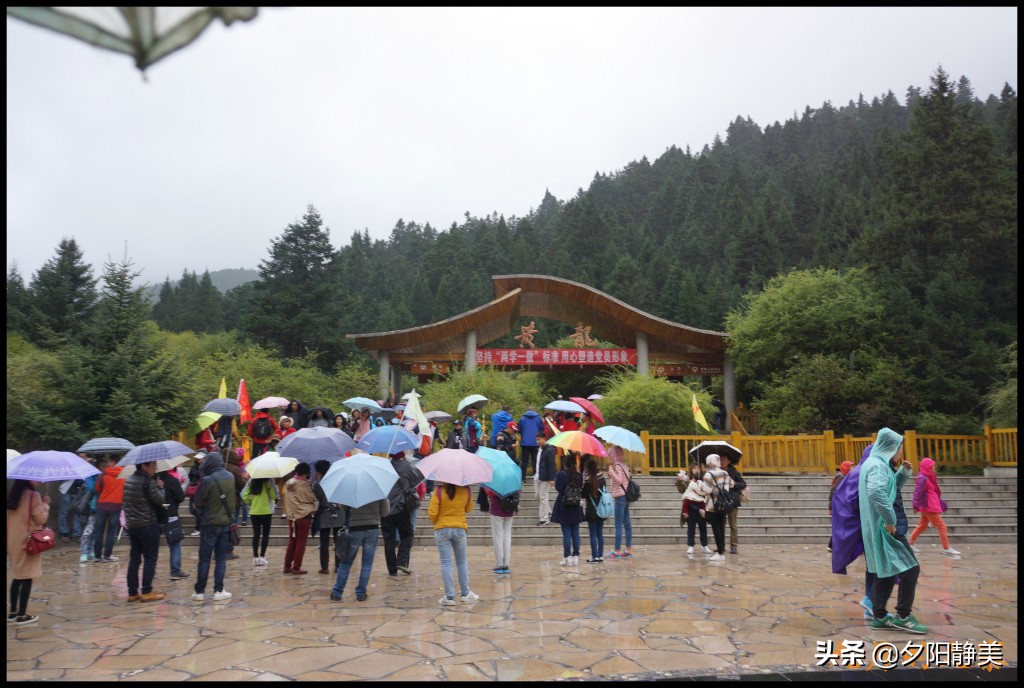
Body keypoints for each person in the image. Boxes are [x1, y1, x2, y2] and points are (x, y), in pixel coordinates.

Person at [860, 428, 926, 633]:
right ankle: (904, 616)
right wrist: (889, 521)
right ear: (891, 447)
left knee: (885, 570)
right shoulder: (878, 466)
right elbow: (877, 492)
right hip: (886, 527)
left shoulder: (875, 464)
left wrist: (903, 474)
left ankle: (879, 616)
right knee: (911, 569)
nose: (900, 452)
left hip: (878, 526)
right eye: (899, 447)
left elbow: (889, 488)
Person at [191, 452, 237, 602]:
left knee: (205, 559)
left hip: (209, 524)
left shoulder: (207, 480)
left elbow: (197, 503)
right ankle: (219, 590)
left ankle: (199, 592)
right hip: (225, 523)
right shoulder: (230, 477)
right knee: (221, 559)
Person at [330, 494, 390, 602]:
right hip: (372, 529)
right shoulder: (379, 492)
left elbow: (343, 507)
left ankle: (337, 592)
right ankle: (361, 593)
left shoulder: (352, 488)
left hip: (354, 528)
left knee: (346, 562)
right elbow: (385, 512)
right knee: (367, 564)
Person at [122, 460, 167, 602]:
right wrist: (160, 487)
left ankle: (132, 592)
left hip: (133, 525)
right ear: (143, 466)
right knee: (150, 558)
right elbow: (160, 500)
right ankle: (147, 591)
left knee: (135, 558)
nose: (155, 468)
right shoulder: (147, 482)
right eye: (153, 465)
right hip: (148, 524)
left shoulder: (128, 481)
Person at [7, 478, 50, 625]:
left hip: (13, 541)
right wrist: (46, 505)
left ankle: (13, 612)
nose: (38, 481)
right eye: (35, 478)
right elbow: (41, 518)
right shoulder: (33, 495)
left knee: (18, 575)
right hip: (28, 542)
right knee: (27, 577)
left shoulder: (13, 496)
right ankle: (22, 615)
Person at [428, 481, 478, 606]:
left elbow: (432, 512)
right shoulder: (466, 490)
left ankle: (449, 597)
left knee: (446, 563)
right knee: (461, 562)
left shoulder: (438, 490)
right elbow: (469, 508)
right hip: (460, 528)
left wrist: (438, 521)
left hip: (442, 528)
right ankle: (465, 593)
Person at [909, 457, 960, 555]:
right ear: (928, 467)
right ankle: (946, 548)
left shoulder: (928, 477)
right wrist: (915, 505)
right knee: (942, 526)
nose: (934, 467)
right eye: (932, 466)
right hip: (928, 507)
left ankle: (909, 544)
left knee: (922, 526)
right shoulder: (922, 478)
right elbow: (917, 492)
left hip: (929, 506)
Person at [382, 452, 420, 576]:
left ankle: (392, 569)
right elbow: (416, 480)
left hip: (386, 508)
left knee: (389, 539)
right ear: (402, 455)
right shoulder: (406, 467)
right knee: (407, 534)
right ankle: (402, 561)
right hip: (401, 507)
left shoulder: (384, 467)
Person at [282, 462, 317, 575]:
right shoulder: (306, 485)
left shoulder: (289, 483)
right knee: (301, 543)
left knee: (292, 541)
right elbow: (312, 499)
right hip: (304, 516)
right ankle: (296, 567)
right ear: (307, 472)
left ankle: (287, 566)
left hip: (292, 517)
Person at [551, 452, 584, 566]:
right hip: (576, 506)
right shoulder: (579, 476)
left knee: (566, 533)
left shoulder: (561, 475)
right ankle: (576, 556)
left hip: (563, 505)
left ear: (565, 464)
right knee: (575, 532)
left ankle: (567, 557)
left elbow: (558, 487)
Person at [701, 454, 733, 561]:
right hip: (723, 504)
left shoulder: (708, 475)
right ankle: (721, 551)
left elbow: (705, 490)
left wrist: (701, 485)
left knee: (716, 529)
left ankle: (720, 553)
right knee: (721, 527)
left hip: (712, 505)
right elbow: (730, 486)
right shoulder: (725, 473)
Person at [313, 460, 342, 575]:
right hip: (339, 513)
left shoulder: (319, 485)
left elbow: (318, 497)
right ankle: (338, 567)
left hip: (324, 514)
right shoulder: (338, 481)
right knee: (338, 541)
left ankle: (324, 567)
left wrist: (318, 480)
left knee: (324, 542)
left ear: (319, 471)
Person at [241, 474, 278, 566]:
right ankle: (262, 557)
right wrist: (271, 485)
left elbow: (243, 495)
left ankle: (255, 557)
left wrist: (251, 502)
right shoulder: (268, 481)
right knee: (265, 535)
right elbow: (274, 496)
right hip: (266, 511)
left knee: (256, 534)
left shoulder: (251, 480)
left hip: (254, 511)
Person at [93, 458, 125, 562]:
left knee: (99, 531)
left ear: (114, 462)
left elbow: (97, 488)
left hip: (102, 505)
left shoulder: (104, 474)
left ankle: (97, 555)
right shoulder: (123, 475)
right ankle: (107, 555)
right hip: (116, 505)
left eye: (108, 461)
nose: (107, 464)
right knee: (111, 532)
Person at [677, 463, 711, 556]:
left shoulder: (704, 480)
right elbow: (682, 491)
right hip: (690, 507)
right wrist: (680, 481)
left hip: (701, 506)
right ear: (691, 470)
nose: (696, 470)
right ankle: (691, 545)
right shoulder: (687, 481)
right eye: (694, 468)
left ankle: (704, 545)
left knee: (703, 527)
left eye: (698, 468)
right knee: (691, 527)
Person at [161, 466, 190, 580]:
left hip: (156, 516)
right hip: (171, 514)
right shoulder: (172, 480)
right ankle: (175, 570)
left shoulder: (151, 481)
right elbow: (181, 497)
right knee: (175, 543)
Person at [606, 446, 634, 559]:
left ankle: (617, 550)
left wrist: (611, 472)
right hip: (626, 496)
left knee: (618, 524)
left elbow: (619, 480)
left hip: (620, 497)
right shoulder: (624, 465)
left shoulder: (617, 466)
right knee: (627, 524)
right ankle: (628, 549)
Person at [484, 485, 517, 574]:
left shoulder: (496, 478)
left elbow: (489, 492)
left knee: (498, 537)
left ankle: (499, 564)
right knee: (507, 537)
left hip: (497, 509)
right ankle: (506, 564)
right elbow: (518, 491)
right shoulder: (513, 478)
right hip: (509, 509)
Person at [720, 452, 747, 555]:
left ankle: (734, 546)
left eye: (724, 459)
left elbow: (743, 484)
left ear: (729, 461)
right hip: (721, 500)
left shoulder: (734, 472)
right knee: (721, 525)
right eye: (720, 459)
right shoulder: (716, 472)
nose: (722, 461)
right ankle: (721, 545)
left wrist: (734, 484)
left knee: (733, 525)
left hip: (732, 501)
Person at [582, 457, 607, 563]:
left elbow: (583, 495)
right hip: (601, 508)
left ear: (587, 468)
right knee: (599, 533)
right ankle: (600, 555)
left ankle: (594, 556)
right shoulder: (602, 478)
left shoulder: (588, 481)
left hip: (591, 510)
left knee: (592, 534)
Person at [79, 456, 102, 563]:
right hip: (91, 506)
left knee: (95, 531)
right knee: (88, 530)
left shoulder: (101, 474)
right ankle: (84, 551)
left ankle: (90, 550)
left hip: (100, 506)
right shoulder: (90, 475)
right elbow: (92, 488)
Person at [224, 448, 246, 558]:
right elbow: (241, 485)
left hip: (220, 502)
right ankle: (228, 550)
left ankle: (219, 549)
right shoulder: (235, 469)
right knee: (232, 525)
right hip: (233, 501)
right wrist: (245, 478)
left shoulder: (220, 467)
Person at [828, 461, 854, 551]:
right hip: (838, 505)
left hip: (840, 505)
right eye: (850, 467)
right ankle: (832, 545)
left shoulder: (845, 477)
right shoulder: (841, 477)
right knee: (840, 525)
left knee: (841, 525)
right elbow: (835, 491)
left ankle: (832, 545)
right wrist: (832, 506)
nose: (852, 469)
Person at [517, 406, 544, 483]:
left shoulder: (522, 418)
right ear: (534, 410)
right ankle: (536, 476)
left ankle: (523, 478)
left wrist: (523, 434)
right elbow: (541, 428)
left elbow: (519, 428)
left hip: (525, 442)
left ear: (527, 410)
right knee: (535, 460)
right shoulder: (538, 418)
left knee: (524, 461)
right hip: (535, 442)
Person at [58, 469, 85, 543]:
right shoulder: (67, 466)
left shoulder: (84, 467)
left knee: (77, 513)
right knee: (63, 512)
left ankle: (77, 534)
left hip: (78, 492)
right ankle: (64, 533)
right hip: (65, 491)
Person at [536, 433, 557, 525]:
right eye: (536, 440)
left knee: (543, 497)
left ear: (544, 439)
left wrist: (551, 478)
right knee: (538, 496)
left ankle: (544, 518)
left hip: (545, 477)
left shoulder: (549, 450)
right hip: (537, 476)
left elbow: (552, 464)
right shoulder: (539, 450)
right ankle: (548, 510)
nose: (538, 441)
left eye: (539, 439)